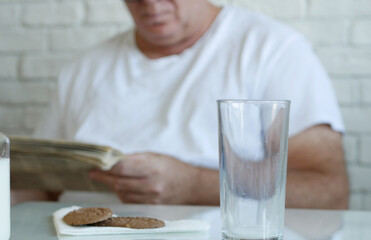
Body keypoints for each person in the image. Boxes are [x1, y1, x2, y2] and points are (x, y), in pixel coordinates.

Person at [27, 0, 349, 209]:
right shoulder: (84, 68)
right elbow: (41, 186)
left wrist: (196, 186)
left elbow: (329, 192)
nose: (150, 4)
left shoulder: (272, 50)